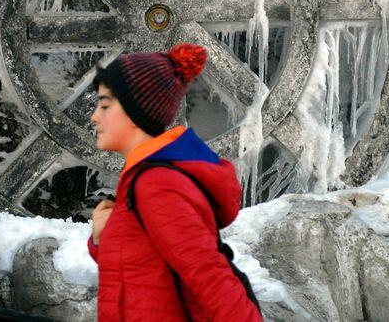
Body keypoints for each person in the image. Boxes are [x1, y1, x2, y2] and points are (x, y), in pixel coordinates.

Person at [87, 43, 263, 321]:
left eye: (105, 105)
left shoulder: (156, 184)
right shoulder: (145, 178)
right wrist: (103, 239)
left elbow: (208, 276)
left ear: (136, 112)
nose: (95, 116)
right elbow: (143, 273)